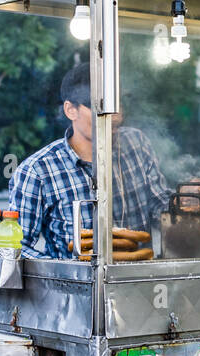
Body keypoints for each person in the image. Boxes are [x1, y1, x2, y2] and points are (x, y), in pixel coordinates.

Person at [9, 63, 172, 259]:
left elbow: (159, 205)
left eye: (117, 104)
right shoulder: (37, 171)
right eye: (101, 106)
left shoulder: (136, 143)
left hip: (141, 283)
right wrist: (63, 269)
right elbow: (15, 247)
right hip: (73, 287)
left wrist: (187, 204)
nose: (115, 116)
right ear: (71, 110)